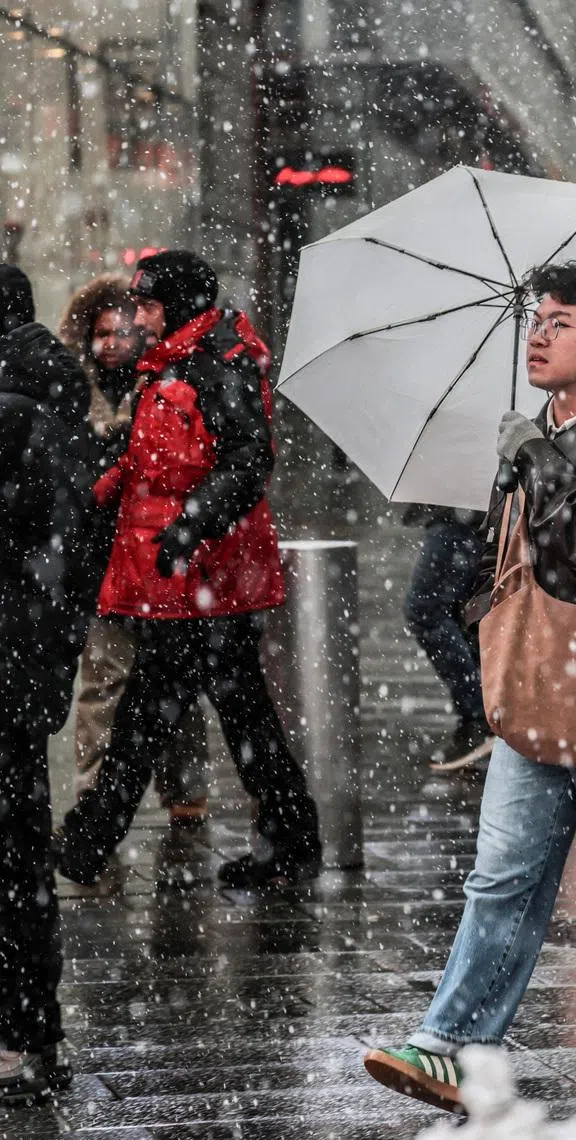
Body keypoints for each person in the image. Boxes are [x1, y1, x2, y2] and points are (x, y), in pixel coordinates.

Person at [363, 260, 576, 1111]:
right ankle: (453, 1042)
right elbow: (511, 566)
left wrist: (540, 466)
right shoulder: (527, 443)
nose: (540, 333)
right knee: (502, 881)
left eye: (562, 321)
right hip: (534, 697)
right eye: (537, 318)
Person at [53, 250, 322, 889]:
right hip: (183, 577)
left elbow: (249, 460)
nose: (138, 317)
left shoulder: (216, 366)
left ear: (179, 305)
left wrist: (190, 525)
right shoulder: (173, 363)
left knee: (153, 714)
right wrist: (104, 489)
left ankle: (90, 841)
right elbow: (152, 459)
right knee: (227, 709)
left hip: (207, 579)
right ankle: (291, 840)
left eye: (148, 304)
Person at [59, 274, 212, 825]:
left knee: (174, 684)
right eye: (100, 333)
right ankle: (93, 795)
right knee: (104, 683)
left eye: (120, 330)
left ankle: (185, 794)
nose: (111, 343)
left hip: (163, 560)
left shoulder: (166, 385)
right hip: (106, 565)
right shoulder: (74, 396)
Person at [0, 265, 92, 1101]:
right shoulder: (49, 412)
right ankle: (31, 1033)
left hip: (10, 669)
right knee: (19, 857)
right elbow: (68, 564)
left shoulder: (16, 420)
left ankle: (24, 1037)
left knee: (13, 859)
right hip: (22, 674)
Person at [400, 504, 491, 771]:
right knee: (467, 613)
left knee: (425, 609)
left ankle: (479, 718)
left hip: (459, 512)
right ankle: (485, 717)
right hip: (466, 511)